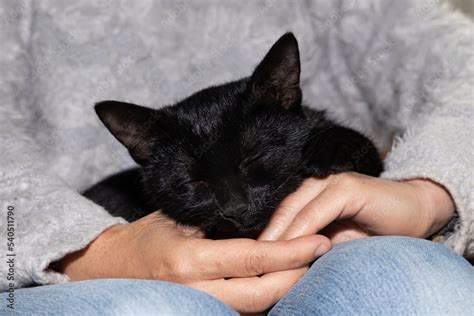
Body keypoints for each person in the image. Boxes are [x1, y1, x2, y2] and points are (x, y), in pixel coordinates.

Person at [1, 0, 473, 314]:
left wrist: (430, 192)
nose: (235, 208)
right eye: (198, 187)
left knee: (417, 282)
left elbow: (463, 64)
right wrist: (86, 251)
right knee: (151, 309)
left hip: (333, 252)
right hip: (61, 262)